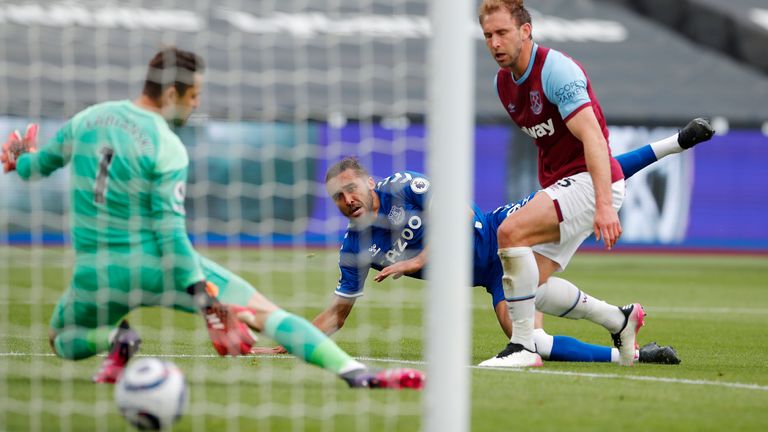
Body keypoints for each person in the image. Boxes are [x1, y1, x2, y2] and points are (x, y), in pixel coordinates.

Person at [0, 47, 423, 389]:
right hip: (156, 265)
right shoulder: (166, 146)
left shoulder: (87, 119)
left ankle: (115, 339)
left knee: (62, 339)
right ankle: (357, 375)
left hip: (95, 272)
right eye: (194, 95)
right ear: (172, 95)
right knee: (268, 316)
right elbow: (170, 238)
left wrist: (18, 159)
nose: (197, 103)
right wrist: (210, 305)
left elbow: (36, 168)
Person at [254, 116, 711, 365]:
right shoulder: (354, 249)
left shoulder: (401, 186)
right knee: (525, 339)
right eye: (337, 197)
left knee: (584, 182)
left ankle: (674, 142)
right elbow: (337, 313)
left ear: (368, 182)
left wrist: (419, 262)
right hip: (493, 273)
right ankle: (625, 347)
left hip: (499, 229)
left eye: (352, 188)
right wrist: (293, 340)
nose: (348, 199)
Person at [475, 0, 705, 367]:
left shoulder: (557, 71)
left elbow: (595, 140)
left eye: (502, 33)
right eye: (488, 35)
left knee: (509, 232)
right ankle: (619, 319)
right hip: (566, 184)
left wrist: (602, 204)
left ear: (525, 31)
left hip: (587, 182)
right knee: (523, 285)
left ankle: (522, 349)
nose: (495, 43)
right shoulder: (504, 84)